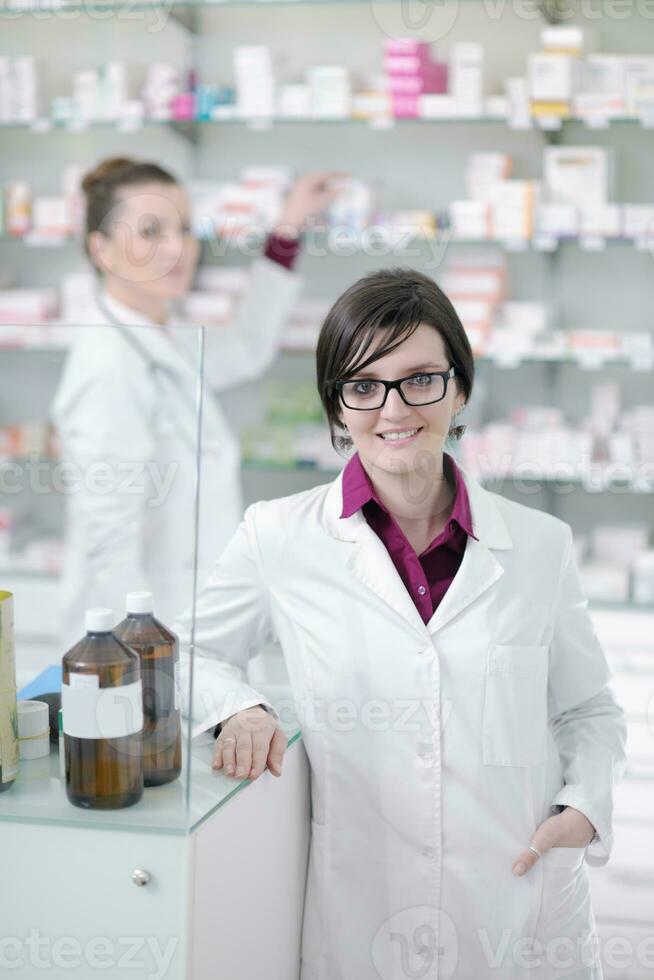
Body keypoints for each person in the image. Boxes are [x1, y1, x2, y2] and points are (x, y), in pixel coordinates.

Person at [176, 267, 627, 979]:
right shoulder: (279, 537)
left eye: (421, 379)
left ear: (460, 387)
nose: (394, 409)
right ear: (338, 405)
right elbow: (191, 655)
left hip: (518, 899)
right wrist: (240, 708)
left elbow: (589, 709)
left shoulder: (540, 545)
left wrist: (583, 809)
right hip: (363, 908)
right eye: (364, 386)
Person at [52, 157, 342, 648]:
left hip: (186, 625)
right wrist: (137, 663)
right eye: (150, 231)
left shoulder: (166, 339)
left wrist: (288, 228)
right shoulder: (108, 364)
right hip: (136, 644)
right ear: (101, 248)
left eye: (183, 229)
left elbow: (247, 346)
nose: (176, 248)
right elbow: (107, 537)